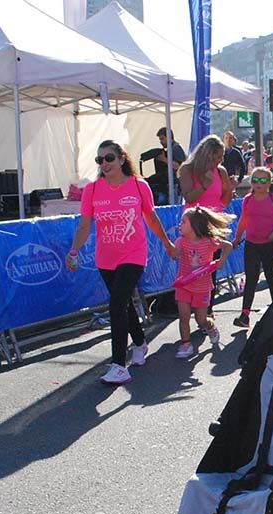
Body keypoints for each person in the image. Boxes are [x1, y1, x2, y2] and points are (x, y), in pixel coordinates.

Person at [68, 140, 177, 385]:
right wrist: (74, 250)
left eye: (109, 158)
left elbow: (151, 218)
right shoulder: (93, 190)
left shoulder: (139, 186)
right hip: (106, 257)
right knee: (124, 304)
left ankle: (119, 365)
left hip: (133, 254)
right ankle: (139, 342)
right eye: (100, 160)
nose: (104, 164)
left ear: (121, 159)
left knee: (116, 304)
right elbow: (85, 225)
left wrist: (167, 244)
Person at [179, 135, 237, 316]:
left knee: (209, 267)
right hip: (194, 226)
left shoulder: (220, 171)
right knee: (192, 266)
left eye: (221, 157)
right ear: (207, 154)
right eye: (217, 156)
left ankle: (206, 309)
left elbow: (226, 196)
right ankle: (188, 305)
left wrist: (227, 195)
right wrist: (204, 185)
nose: (219, 160)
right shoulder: (188, 170)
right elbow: (189, 197)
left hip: (213, 225)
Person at [232, 167, 273, 328]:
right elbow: (243, 221)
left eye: (262, 180)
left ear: (269, 182)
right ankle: (245, 315)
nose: (258, 184)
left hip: (269, 245)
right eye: (255, 180)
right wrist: (237, 238)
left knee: (271, 278)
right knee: (251, 279)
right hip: (251, 244)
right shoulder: (247, 199)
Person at [174, 207, 233, 358]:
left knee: (201, 320)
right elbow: (175, 255)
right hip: (184, 285)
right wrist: (171, 250)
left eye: (184, 221)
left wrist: (221, 261)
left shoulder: (209, 242)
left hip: (202, 286)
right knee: (184, 316)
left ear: (195, 225)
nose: (180, 224)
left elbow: (228, 246)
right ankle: (186, 344)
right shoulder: (181, 241)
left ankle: (210, 326)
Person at [143, 127, 187, 205]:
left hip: (175, 185)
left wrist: (164, 159)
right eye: (160, 139)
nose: (161, 142)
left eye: (162, 139)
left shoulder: (176, 148)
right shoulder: (170, 149)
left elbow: (179, 166)